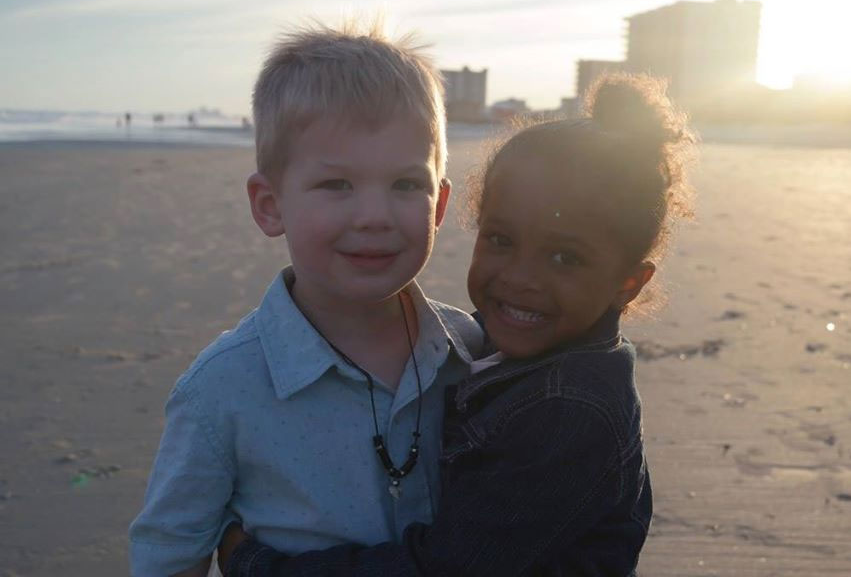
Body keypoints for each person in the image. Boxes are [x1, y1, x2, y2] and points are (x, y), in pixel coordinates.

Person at [218, 73, 696, 576]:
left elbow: (446, 569)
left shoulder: (567, 410)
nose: (519, 278)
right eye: (501, 240)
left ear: (628, 283)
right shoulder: (489, 345)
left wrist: (258, 567)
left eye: (564, 257)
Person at [128, 22, 485, 576]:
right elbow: (170, 550)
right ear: (270, 205)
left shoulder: (470, 351)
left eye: (406, 185)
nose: (374, 216)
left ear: (439, 206)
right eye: (336, 185)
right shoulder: (222, 389)